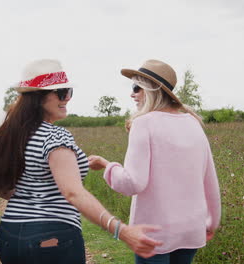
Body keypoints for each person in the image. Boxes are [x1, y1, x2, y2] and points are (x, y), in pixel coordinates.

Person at [0, 59, 163, 264]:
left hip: (10, 235)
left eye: (68, 92)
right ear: (38, 98)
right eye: (61, 93)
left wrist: (38, 191)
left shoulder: (13, 134)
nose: (67, 99)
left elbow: (4, 183)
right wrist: (121, 231)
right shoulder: (55, 136)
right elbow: (72, 192)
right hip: (52, 238)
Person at [88, 59, 221, 264]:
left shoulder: (143, 124)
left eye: (136, 88)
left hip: (154, 232)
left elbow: (132, 183)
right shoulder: (193, 123)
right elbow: (209, 179)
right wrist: (212, 221)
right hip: (191, 229)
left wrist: (107, 165)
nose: (132, 94)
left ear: (151, 90)